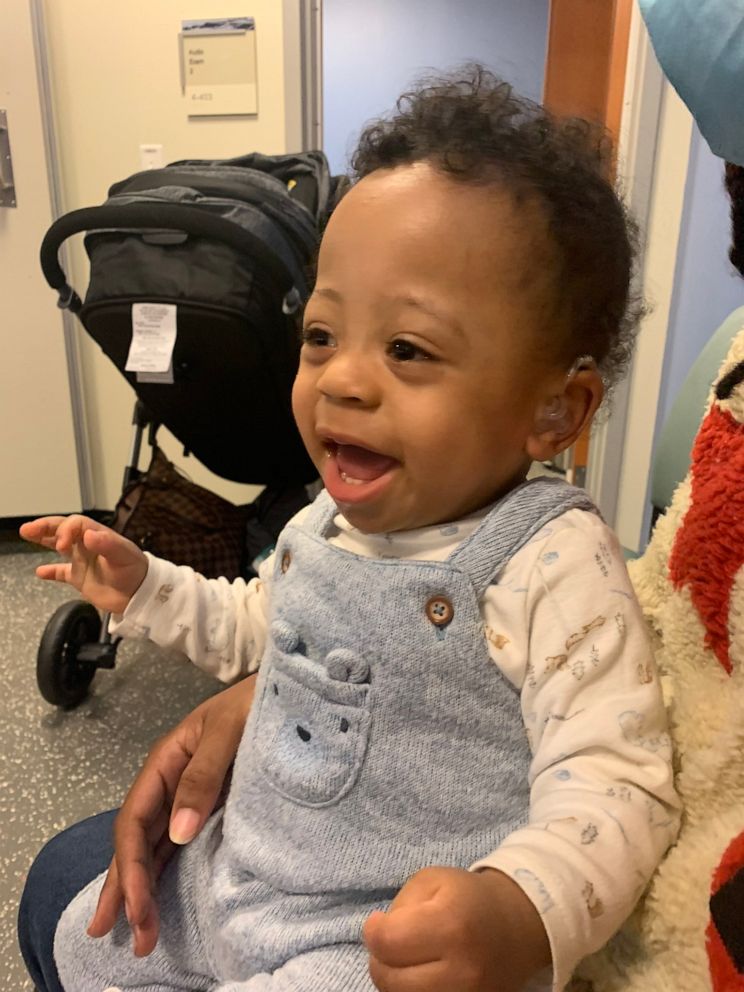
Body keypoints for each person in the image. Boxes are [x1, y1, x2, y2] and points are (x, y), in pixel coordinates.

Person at [18, 66, 679, 992]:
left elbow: (619, 783)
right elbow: (262, 629)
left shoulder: (551, 561)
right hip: (241, 873)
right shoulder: (331, 516)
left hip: (370, 937)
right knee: (79, 939)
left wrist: (519, 910)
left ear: (553, 413)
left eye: (407, 349)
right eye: (322, 336)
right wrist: (149, 589)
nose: (341, 380)